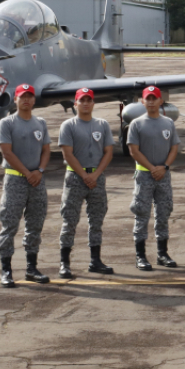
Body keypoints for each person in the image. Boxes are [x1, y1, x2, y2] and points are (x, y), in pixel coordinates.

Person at [0, 83, 52, 287]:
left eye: (30, 96)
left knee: (35, 224)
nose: (26, 99)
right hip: (15, 180)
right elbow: (7, 152)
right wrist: (28, 173)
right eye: (22, 96)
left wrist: (40, 171)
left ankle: (31, 268)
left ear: (34, 100)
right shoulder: (7, 123)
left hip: (37, 180)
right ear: (15, 100)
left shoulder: (41, 123)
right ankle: (6, 270)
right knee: (10, 223)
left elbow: (46, 150)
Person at [57, 87, 114, 278]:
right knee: (70, 221)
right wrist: (84, 175)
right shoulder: (68, 125)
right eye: (82, 100)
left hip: (97, 178)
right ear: (76, 103)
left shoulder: (102, 124)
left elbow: (108, 152)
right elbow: (67, 153)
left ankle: (95, 260)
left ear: (94, 103)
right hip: (75, 178)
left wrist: (96, 175)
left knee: (96, 220)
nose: (86, 103)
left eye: (89, 100)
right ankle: (64, 263)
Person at [128, 85, 180, 270]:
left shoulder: (168, 123)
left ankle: (162, 253)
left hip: (163, 175)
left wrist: (164, 167)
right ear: (142, 101)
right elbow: (133, 150)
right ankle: (140, 256)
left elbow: (174, 147)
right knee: (142, 213)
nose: (151, 101)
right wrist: (152, 168)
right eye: (147, 98)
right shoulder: (136, 124)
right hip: (144, 175)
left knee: (163, 213)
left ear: (160, 101)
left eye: (154, 98)